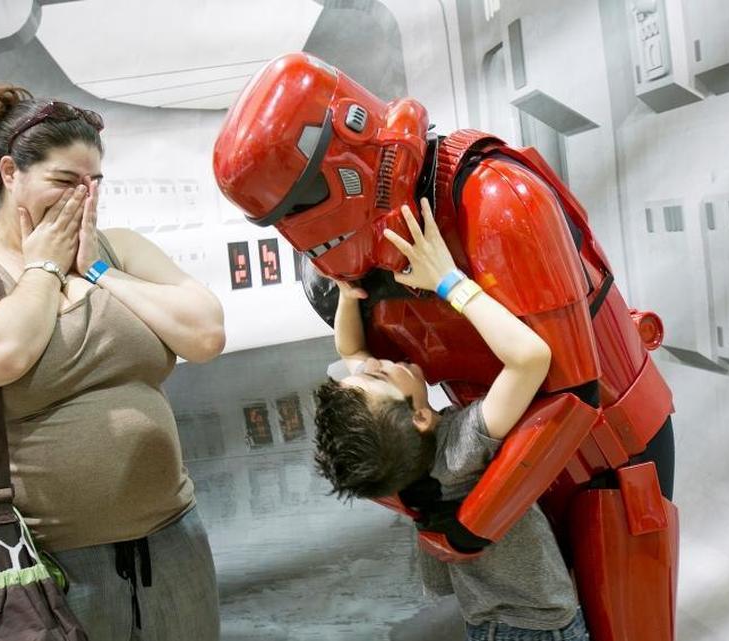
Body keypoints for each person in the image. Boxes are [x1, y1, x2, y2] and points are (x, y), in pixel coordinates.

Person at [213, 52, 678, 641]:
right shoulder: (346, 262)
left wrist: (467, 526)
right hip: (507, 456)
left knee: (628, 622)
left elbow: (575, 390)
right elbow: (382, 441)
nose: (376, 366)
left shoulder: (499, 199)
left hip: (605, 456)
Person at [0, 84, 225, 640]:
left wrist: (101, 273)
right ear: (11, 174)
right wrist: (43, 270)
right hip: (37, 560)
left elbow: (205, 333)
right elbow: (0, 353)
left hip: (173, 538)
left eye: (93, 182)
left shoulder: (118, 246)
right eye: (63, 181)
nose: (83, 196)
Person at [312, 199, 586, 640]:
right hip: (536, 630)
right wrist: (448, 282)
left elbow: (351, 353)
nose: (377, 362)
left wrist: (347, 297)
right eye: (383, 373)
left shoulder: (396, 463)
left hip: (490, 623)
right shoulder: (459, 451)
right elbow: (530, 359)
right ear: (420, 416)